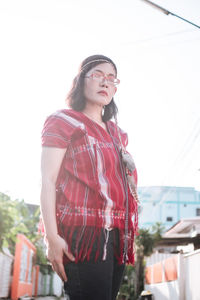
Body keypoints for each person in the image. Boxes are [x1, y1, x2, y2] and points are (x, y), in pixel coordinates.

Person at [40, 54, 138, 300]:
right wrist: (51, 238)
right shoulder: (63, 121)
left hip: (119, 236)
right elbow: (48, 181)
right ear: (81, 80)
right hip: (84, 236)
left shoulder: (118, 134)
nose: (105, 83)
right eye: (97, 75)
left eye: (112, 79)